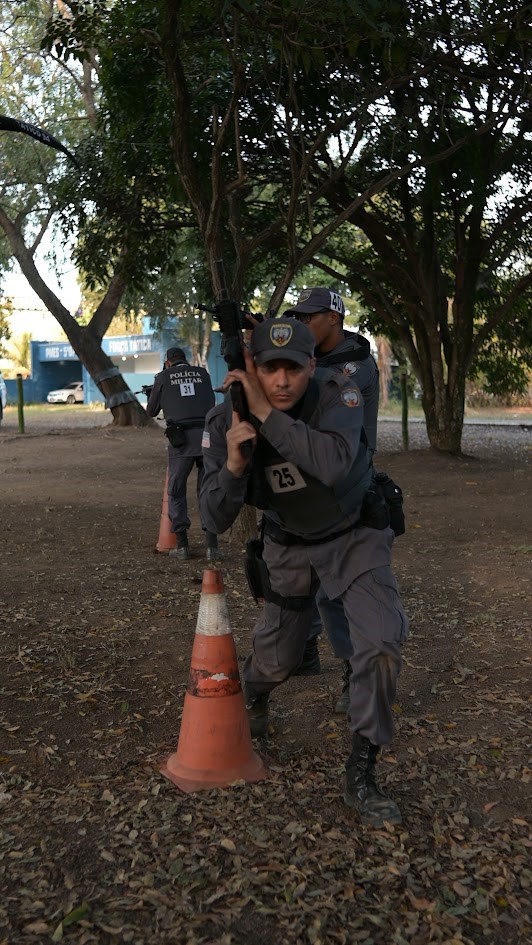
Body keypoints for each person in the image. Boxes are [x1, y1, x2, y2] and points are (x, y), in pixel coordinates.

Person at [200, 318, 408, 826]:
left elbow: (334, 464)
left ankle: (361, 771)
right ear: (254, 368)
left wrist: (268, 414)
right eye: (271, 369)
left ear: (312, 365)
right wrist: (231, 468)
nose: (284, 380)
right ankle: (255, 694)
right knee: (279, 658)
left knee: (380, 644)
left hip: (353, 534)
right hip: (288, 544)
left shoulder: (340, 394)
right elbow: (211, 518)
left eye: (294, 367)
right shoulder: (224, 417)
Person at [283, 288, 379, 711]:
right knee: (297, 577)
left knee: (336, 589)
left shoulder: (356, 365)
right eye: (297, 318)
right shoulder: (313, 362)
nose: (302, 324)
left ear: (333, 318)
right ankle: (305, 652)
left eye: (308, 317)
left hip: (348, 486)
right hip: (311, 482)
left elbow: (318, 394)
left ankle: (355, 674)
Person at [146, 346, 218, 560]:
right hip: (207, 438)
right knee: (207, 490)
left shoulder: (163, 376)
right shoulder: (203, 373)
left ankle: (183, 546)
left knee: (176, 490)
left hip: (181, 441)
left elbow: (151, 411)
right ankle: (212, 547)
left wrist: (155, 392)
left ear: (168, 362)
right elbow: (210, 401)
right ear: (184, 359)